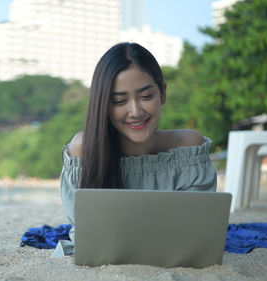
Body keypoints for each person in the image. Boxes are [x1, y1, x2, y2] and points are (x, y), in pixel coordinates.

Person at [52, 42, 217, 257]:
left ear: (163, 94)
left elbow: (196, 230)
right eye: (120, 101)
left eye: (146, 96)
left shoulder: (189, 148)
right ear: (103, 104)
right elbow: (87, 233)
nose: (135, 111)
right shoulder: (83, 150)